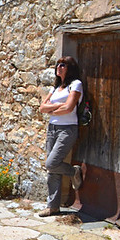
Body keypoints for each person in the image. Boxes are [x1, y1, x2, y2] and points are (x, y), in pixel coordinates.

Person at [38, 56, 84, 217]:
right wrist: (58, 107)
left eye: (63, 65)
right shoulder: (55, 87)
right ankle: (53, 207)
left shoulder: (75, 84)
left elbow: (70, 108)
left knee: (51, 164)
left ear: (70, 68)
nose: (59, 67)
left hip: (68, 129)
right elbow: (42, 108)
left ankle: (73, 172)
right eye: (58, 65)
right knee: (52, 171)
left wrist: (52, 109)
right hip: (52, 128)